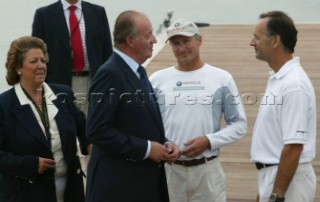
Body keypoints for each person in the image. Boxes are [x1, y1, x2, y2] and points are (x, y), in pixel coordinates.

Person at [85, 10, 180, 202]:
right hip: (119, 188)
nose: (154, 40)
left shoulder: (137, 71)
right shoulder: (110, 74)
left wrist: (164, 144)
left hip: (141, 185)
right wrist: (146, 149)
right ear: (130, 41)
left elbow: (135, 122)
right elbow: (96, 130)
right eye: (148, 35)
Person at [149, 19, 248, 202]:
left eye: (186, 41)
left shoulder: (221, 78)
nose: (182, 48)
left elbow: (239, 125)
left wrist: (209, 141)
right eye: (175, 43)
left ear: (199, 40)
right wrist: (163, 144)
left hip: (207, 171)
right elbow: (147, 124)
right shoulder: (157, 80)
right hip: (170, 172)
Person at [0, 36, 89, 202]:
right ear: (18, 67)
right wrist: (30, 165)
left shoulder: (64, 94)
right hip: (26, 194)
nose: (40, 65)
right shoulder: (3, 105)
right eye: (34, 61)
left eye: (43, 60)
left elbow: (84, 132)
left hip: (70, 192)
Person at [250, 11, 317, 202]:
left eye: (256, 37)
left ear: (275, 41)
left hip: (289, 183)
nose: (252, 43)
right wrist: (264, 190)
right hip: (276, 176)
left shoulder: (293, 85)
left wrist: (277, 195)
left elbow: (294, 146)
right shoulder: (280, 78)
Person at [32, 0, 113, 112]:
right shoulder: (44, 14)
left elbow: (107, 52)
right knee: (64, 126)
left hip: (93, 81)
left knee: (92, 125)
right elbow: (36, 54)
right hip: (58, 83)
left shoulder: (98, 12)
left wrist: (108, 84)